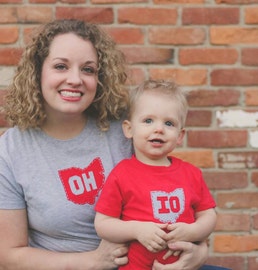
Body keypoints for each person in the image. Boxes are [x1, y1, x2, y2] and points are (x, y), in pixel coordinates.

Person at [0, 19, 209, 270]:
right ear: (37, 71)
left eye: (88, 70)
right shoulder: (11, 151)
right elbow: (8, 256)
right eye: (60, 66)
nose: (75, 79)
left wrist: (199, 251)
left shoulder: (126, 128)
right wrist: (92, 261)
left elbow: (180, 197)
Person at [94, 79, 217, 269]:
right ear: (129, 129)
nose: (158, 128)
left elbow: (208, 215)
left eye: (169, 123)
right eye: (148, 120)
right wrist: (136, 230)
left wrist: (193, 231)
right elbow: (103, 224)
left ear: (180, 135)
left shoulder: (191, 174)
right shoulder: (122, 174)